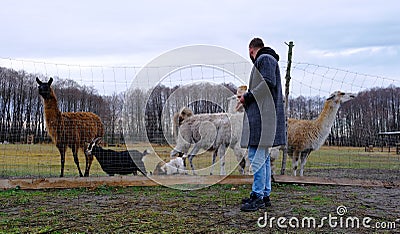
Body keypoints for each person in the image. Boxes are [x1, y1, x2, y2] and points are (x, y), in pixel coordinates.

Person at [239, 38, 286, 212]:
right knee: (263, 157)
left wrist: (247, 96)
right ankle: (264, 194)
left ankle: (258, 196)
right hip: (266, 117)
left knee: (256, 155)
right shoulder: (269, 59)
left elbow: (266, 82)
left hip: (262, 118)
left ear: (251, 50)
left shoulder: (264, 59)